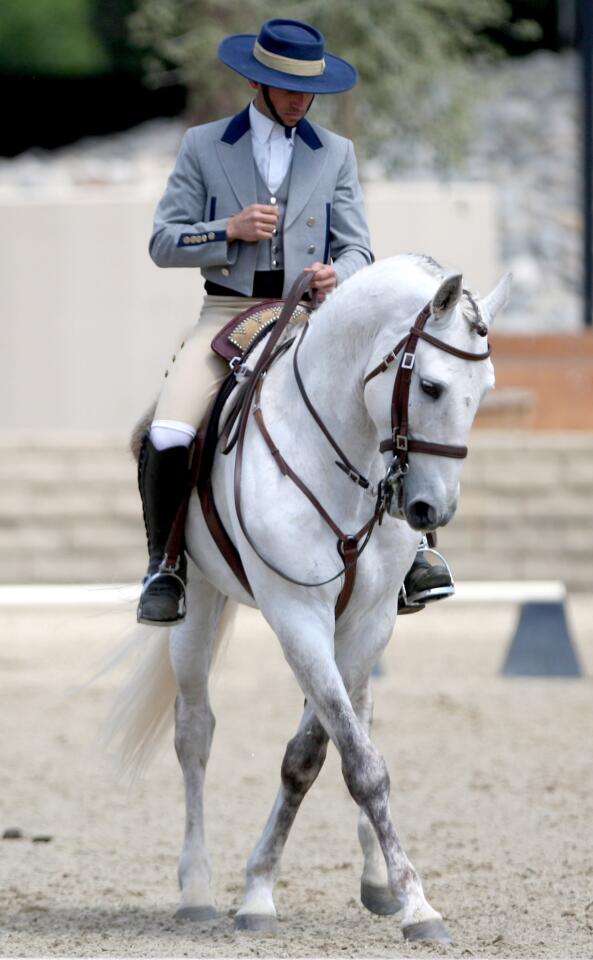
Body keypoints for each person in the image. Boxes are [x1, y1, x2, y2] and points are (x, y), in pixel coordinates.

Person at [137, 17, 453, 625]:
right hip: (229, 313)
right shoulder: (203, 146)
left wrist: (342, 272)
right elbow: (162, 241)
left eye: (307, 89)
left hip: (312, 317)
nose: (298, 99)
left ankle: (415, 555)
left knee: (390, 401)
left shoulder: (335, 153)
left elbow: (360, 246)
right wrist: (225, 231)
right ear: (257, 83)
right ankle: (166, 565)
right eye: (286, 87)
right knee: (171, 428)